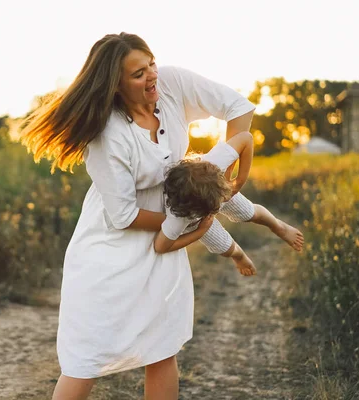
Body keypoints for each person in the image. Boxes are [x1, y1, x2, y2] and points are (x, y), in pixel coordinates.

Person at [19, 32, 255, 400]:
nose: (152, 76)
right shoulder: (107, 136)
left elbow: (238, 106)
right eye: (138, 74)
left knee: (161, 348)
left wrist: (218, 180)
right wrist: (187, 219)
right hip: (111, 251)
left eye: (151, 64)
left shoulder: (172, 84)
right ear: (115, 85)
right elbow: (124, 216)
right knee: (86, 357)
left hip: (162, 245)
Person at [154, 131, 305, 276]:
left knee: (250, 212)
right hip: (196, 222)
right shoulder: (178, 218)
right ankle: (239, 257)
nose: (222, 203)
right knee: (224, 246)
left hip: (219, 189)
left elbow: (246, 138)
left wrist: (238, 182)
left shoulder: (213, 164)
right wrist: (199, 231)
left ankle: (278, 227)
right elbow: (161, 246)